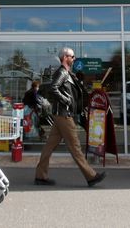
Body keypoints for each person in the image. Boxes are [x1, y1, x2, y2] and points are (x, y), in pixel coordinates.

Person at [35, 47, 106, 187]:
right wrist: (66, 100)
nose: (74, 59)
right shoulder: (61, 72)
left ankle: (40, 176)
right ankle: (91, 176)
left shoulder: (68, 73)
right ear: (65, 57)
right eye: (72, 57)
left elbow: (75, 91)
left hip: (61, 115)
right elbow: (53, 88)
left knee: (49, 147)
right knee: (75, 146)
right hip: (63, 115)